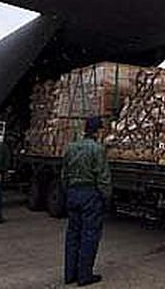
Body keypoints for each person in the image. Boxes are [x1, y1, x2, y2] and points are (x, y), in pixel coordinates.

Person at [62, 116, 111, 286]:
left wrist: (68, 192)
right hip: (90, 194)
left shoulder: (71, 148)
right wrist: (106, 197)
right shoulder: (98, 149)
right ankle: (84, 275)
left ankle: (70, 275)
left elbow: (64, 174)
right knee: (89, 235)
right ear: (97, 131)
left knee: (73, 234)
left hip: (73, 193)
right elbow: (103, 177)